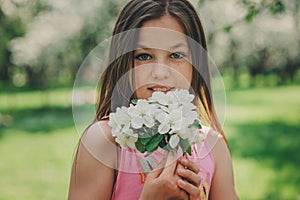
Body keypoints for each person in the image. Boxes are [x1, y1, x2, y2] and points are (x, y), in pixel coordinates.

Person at [68, 0, 239, 199]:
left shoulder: (213, 146)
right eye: (143, 56)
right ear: (124, 63)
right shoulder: (106, 142)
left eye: (176, 55)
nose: (160, 72)